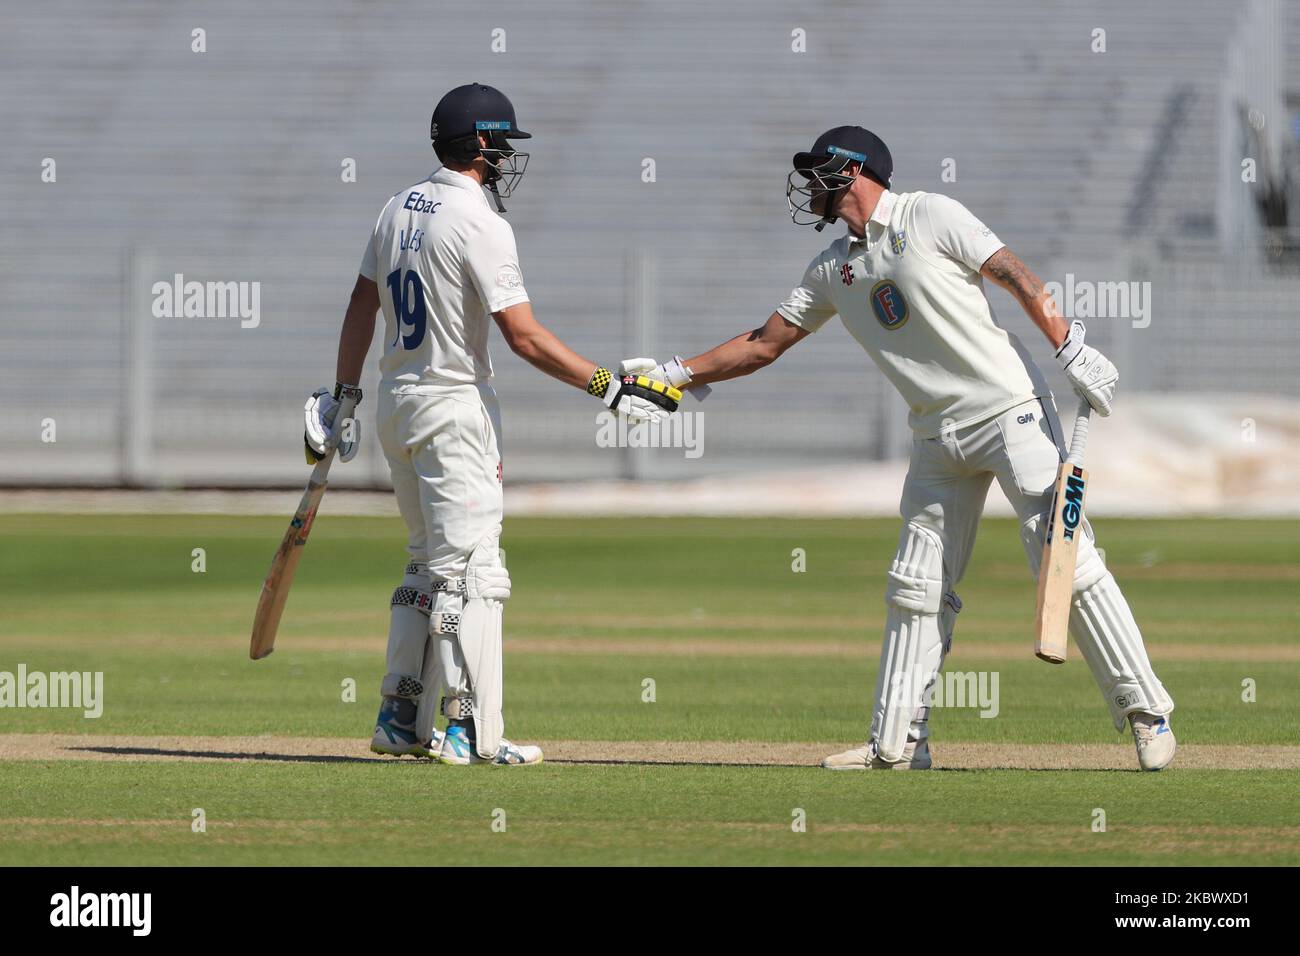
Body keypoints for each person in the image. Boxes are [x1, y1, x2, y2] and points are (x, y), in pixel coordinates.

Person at [632, 126, 1175, 771]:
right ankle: (897, 743)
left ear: (855, 172)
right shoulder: (832, 269)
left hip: (1010, 412)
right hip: (935, 435)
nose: (808, 186)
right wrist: (675, 374)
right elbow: (762, 344)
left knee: (1068, 558)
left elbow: (1016, 275)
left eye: (818, 172)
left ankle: (1146, 712)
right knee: (916, 586)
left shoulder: (931, 214)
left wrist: (1069, 346)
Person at [304, 83, 680, 766]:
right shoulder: (478, 221)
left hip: (397, 403)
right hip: (454, 410)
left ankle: (398, 716)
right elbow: (525, 338)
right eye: (501, 146)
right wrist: (609, 386)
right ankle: (468, 731)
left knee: (426, 565)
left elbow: (361, 303)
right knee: (477, 574)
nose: (506, 159)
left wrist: (343, 394)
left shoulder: (396, 207)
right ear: (480, 145)